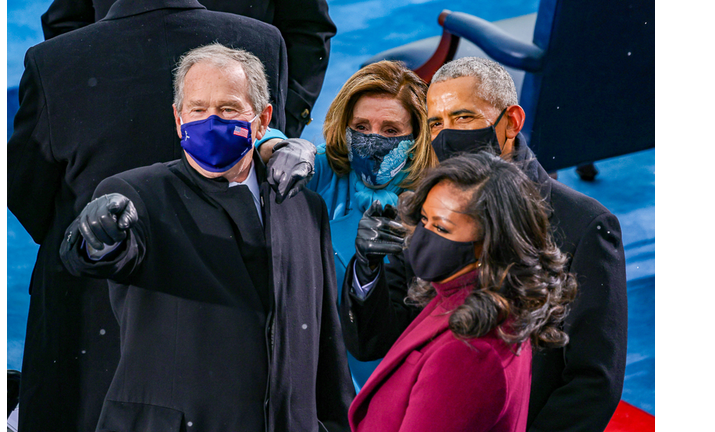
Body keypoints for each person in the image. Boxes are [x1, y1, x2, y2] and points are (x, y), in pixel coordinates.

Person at [6, 1, 312, 430]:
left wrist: (91, 236)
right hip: (228, 334)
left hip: (90, 328)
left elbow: (26, 193)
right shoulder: (261, 42)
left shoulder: (52, 60)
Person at [58, 43, 353, 431]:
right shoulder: (137, 194)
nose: (210, 121)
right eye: (197, 110)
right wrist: (96, 235)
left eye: (228, 108)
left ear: (263, 120)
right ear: (179, 119)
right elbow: (97, 256)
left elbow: (325, 343)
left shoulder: (305, 207)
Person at [341, 57, 628, 431]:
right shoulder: (425, 207)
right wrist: (367, 271)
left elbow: (591, 382)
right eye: (436, 123)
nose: (447, 135)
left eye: (463, 118)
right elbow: (374, 342)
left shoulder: (585, 225)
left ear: (511, 122)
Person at [348, 153, 577, 431]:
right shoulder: (463, 295)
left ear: (489, 243)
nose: (423, 235)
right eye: (424, 220)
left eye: (442, 227)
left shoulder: (470, 353)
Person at [258, 60, 437, 391]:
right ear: (345, 127)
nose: (373, 141)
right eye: (362, 127)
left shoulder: (434, 198)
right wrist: (278, 145)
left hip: (393, 373)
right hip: (315, 367)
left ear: (416, 136)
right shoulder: (325, 170)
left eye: (391, 130)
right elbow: (249, 136)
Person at [40, 0, 337, 138]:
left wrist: (273, 126)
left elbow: (307, 30)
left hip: (232, 134)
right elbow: (66, 24)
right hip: (119, 133)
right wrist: (84, 120)